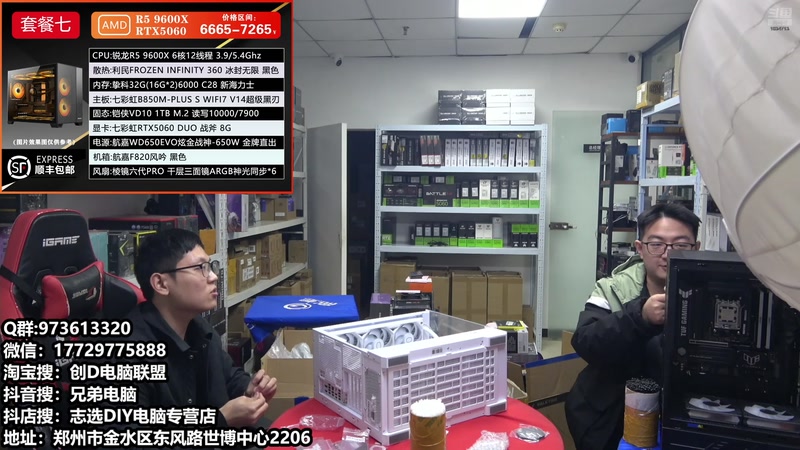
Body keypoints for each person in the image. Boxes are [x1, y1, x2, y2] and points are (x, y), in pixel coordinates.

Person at [564, 203, 701, 450]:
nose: (668, 254)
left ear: (696, 248)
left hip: (684, 418)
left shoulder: (711, 293)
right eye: (656, 244)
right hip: (609, 418)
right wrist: (640, 317)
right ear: (640, 248)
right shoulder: (612, 288)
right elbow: (586, 342)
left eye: (680, 245)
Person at [122, 228, 277, 429]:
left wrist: (249, 388)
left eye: (210, 266)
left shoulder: (199, 329)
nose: (213, 277)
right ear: (161, 284)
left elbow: (228, 376)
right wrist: (220, 419)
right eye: (200, 268)